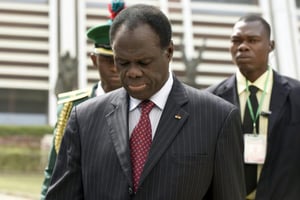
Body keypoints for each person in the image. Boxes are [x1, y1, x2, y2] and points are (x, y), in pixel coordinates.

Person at [45, 4, 246, 199]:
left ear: (168, 52)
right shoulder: (84, 118)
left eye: (144, 62)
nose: (133, 72)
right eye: (122, 63)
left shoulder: (217, 118)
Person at [207, 14, 300, 200]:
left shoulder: (297, 96)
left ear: (270, 46)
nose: (242, 46)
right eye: (236, 40)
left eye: (252, 40)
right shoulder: (209, 100)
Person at [40, 1, 125, 199]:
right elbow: (54, 171)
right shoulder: (73, 106)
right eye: (107, 60)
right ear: (94, 60)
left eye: (119, 60)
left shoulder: (145, 106)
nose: (114, 68)